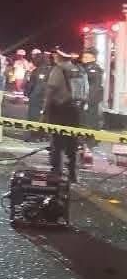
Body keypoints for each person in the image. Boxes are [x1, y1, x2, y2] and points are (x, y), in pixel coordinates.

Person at [45, 49, 87, 183]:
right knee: (72, 143)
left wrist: (45, 111)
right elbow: (85, 91)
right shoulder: (79, 69)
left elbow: (51, 90)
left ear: (59, 56)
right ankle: (72, 173)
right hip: (74, 110)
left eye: (55, 55)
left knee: (57, 142)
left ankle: (56, 171)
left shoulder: (58, 70)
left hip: (59, 109)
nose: (54, 57)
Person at [81, 50, 105, 150]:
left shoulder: (93, 69)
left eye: (87, 57)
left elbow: (94, 87)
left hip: (91, 100)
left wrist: (88, 101)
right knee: (88, 120)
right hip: (89, 99)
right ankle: (89, 141)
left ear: (93, 58)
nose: (84, 59)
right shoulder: (86, 68)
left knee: (90, 121)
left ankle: (91, 142)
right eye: (84, 57)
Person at [25, 52, 51, 142]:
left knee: (34, 116)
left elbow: (34, 85)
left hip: (37, 97)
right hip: (48, 98)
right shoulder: (51, 70)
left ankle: (34, 136)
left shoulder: (38, 71)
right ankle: (44, 135)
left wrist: (28, 94)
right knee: (44, 117)